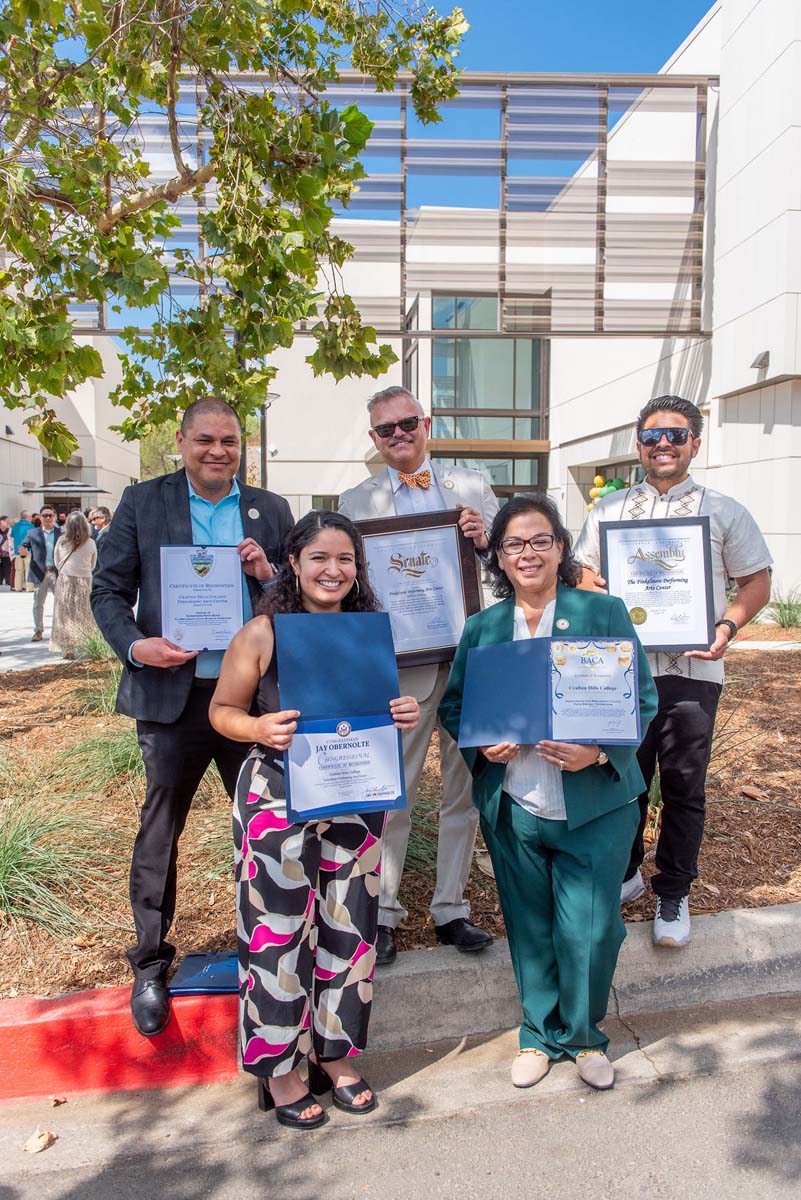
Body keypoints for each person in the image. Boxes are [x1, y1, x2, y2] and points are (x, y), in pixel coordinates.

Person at [91, 396, 295, 1038]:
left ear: (242, 444)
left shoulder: (271, 509)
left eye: (229, 441)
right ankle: (150, 963)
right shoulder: (143, 503)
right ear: (181, 442)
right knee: (161, 831)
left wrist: (269, 575)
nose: (217, 451)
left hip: (247, 702)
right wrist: (134, 645)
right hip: (172, 699)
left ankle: (271, 951)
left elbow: (292, 600)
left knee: (267, 829)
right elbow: (108, 590)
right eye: (204, 439)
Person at [439, 495, 657, 1091]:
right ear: (499, 557)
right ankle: (539, 1034)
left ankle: (585, 1037)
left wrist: (601, 751)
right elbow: (456, 706)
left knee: (589, 928)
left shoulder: (602, 611)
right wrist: (481, 746)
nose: (527, 553)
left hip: (595, 803)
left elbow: (641, 700)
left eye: (540, 541)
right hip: (515, 804)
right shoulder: (483, 627)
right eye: (514, 544)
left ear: (561, 548)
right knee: (529, 925)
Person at [209, 510, 420, 1129]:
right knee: (277, 931)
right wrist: (256, 727)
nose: (333, 570)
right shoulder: (263, 632)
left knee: (349, 925)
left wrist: (399, 711)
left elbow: (371, 709)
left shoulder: (367, 633)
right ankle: (280, 1068)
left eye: (345, 559)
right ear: (293, 563)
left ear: (358, 569)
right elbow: (223, 710)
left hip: (356, 792)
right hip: (277, 795)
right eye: (320, 558)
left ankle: (337, 1054)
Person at [574, 395, 772, 948]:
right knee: (625, 779)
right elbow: (585, 576)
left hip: (693, 669)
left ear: (695, 444)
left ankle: (673, 891)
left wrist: (727, 628)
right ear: (638, 446)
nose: (664, 444)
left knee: (684, 784)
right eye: (654, 436)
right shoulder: (609, 513)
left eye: (677, 435)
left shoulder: (723, 510)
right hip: (623, 669)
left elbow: (756, 581)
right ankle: (627, 872)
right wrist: (607, 596)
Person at [339, 385, 499, 966]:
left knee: (464, 793)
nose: (399, 434)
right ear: (374, 439)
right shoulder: (356, 501)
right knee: (394, 793)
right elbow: (344, 585)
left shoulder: (473, 487)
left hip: (468, 662)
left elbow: (511, 562)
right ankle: (382, 914)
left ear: (426, 424)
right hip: (398, 668)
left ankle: (450, 908)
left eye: (408, 422)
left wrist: (486, 544)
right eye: (386, 429)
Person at [51, 511, 98, 658]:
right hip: (84, 580)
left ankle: (68, 647)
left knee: (65, 614)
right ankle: (84, 643)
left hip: (66, 579)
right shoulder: (90, 543)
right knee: (84, 614)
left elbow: (56, 560)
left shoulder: (62, 541)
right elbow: (93, 563)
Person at [18, 507, 61, 641]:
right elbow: (23, 546)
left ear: (55, 517)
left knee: (60, 604)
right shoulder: (32, 533)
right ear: (40, 518)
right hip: (39, 573)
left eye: (50, 515)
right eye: (44, 515)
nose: (48, 518)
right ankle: (38, 631)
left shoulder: (62, 532)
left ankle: (59, 631)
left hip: (57, 573)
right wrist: (23, 551)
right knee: (38, 603)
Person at [11, 510, 35, 591]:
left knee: (18, 570)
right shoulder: (31, 526)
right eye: (31, 516)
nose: (31, 518)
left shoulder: (15, 526)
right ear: (27, 517)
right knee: (29, 570)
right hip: (28, 551)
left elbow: (12, 537)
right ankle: (29, 588)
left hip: (18, 551)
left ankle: (18, 587)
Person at [0, 516, 11, 588]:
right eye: (6, 520)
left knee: (7, 566)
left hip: (6, 552)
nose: (7, 522)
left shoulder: (9, 530)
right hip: (1, 551)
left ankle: (8, 580)